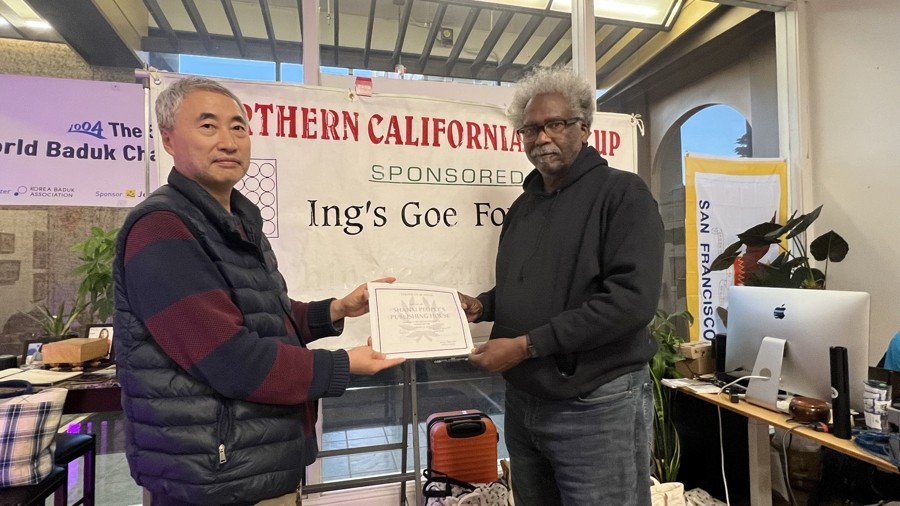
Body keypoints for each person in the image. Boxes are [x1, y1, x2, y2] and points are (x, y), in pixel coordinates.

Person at [113, 76, 405, 505]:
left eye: (239, 127)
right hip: (216, 478)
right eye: (208, 126)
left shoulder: (234, 220)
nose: (228, 141)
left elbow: (264, 319)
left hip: (253, 463)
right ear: (169, 139)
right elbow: (231, 359)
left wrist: (337, 309)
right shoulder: (162, 228)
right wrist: (343, 364)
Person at [458, 66, 664, 506]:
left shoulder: (622, 194)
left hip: (596, 405)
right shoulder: (523, 207)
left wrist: (525, 346)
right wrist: (483, 305)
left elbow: (630, 302)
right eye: (530, 129)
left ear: (584, 128)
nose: (541, 137)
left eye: (555, 124)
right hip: (524, 402)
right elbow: (534, 285)